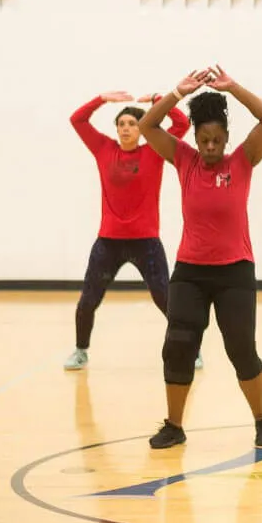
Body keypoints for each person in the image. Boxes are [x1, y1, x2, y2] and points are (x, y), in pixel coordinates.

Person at [138, 66, 262, 449]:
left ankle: (261, 420)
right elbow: (148, 127)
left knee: (241, 350)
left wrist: (233, 87)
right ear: (196, 139)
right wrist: (176, 93)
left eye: (217, 140)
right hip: (190, 274)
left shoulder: (243, 160)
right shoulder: (184, 160)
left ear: (227, 139)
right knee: (178, 345)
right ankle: (174, 425)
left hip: (235, 272)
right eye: (204, 140)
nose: (211, 147)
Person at [64, 91, 197, 371]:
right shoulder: (103, 149)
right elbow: (78, 120)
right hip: (108, 243)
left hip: (146, 242)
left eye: (132, 124)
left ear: (141, 129)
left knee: (165, 299)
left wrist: (159, 100)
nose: (126, 128)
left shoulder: (154, 152)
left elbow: (181, 124)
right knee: (88, 299)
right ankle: (80, 351)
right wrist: (101, 99)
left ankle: (191, 349)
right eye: (121, 124)